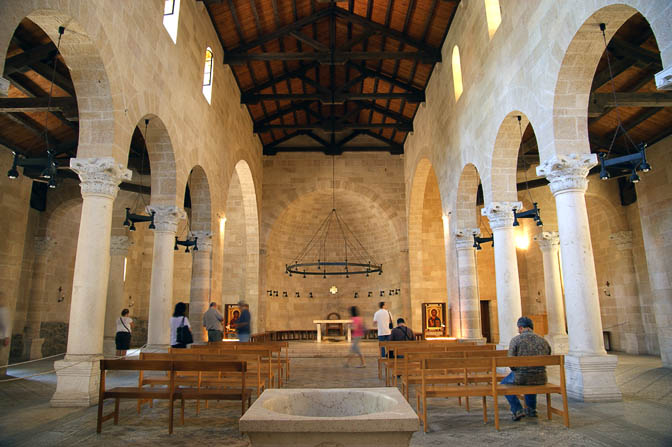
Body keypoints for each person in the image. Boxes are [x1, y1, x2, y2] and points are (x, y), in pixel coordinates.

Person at [502, 316, 552, 421]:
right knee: (531, 378)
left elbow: (511, 362)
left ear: (520, 328)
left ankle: (517, 409)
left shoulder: (516, 340)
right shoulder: (543, 341)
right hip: (541, 377)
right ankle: (531, 409)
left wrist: (517, 369)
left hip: (521, 376)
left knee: (503, 384)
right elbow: (548, 355)